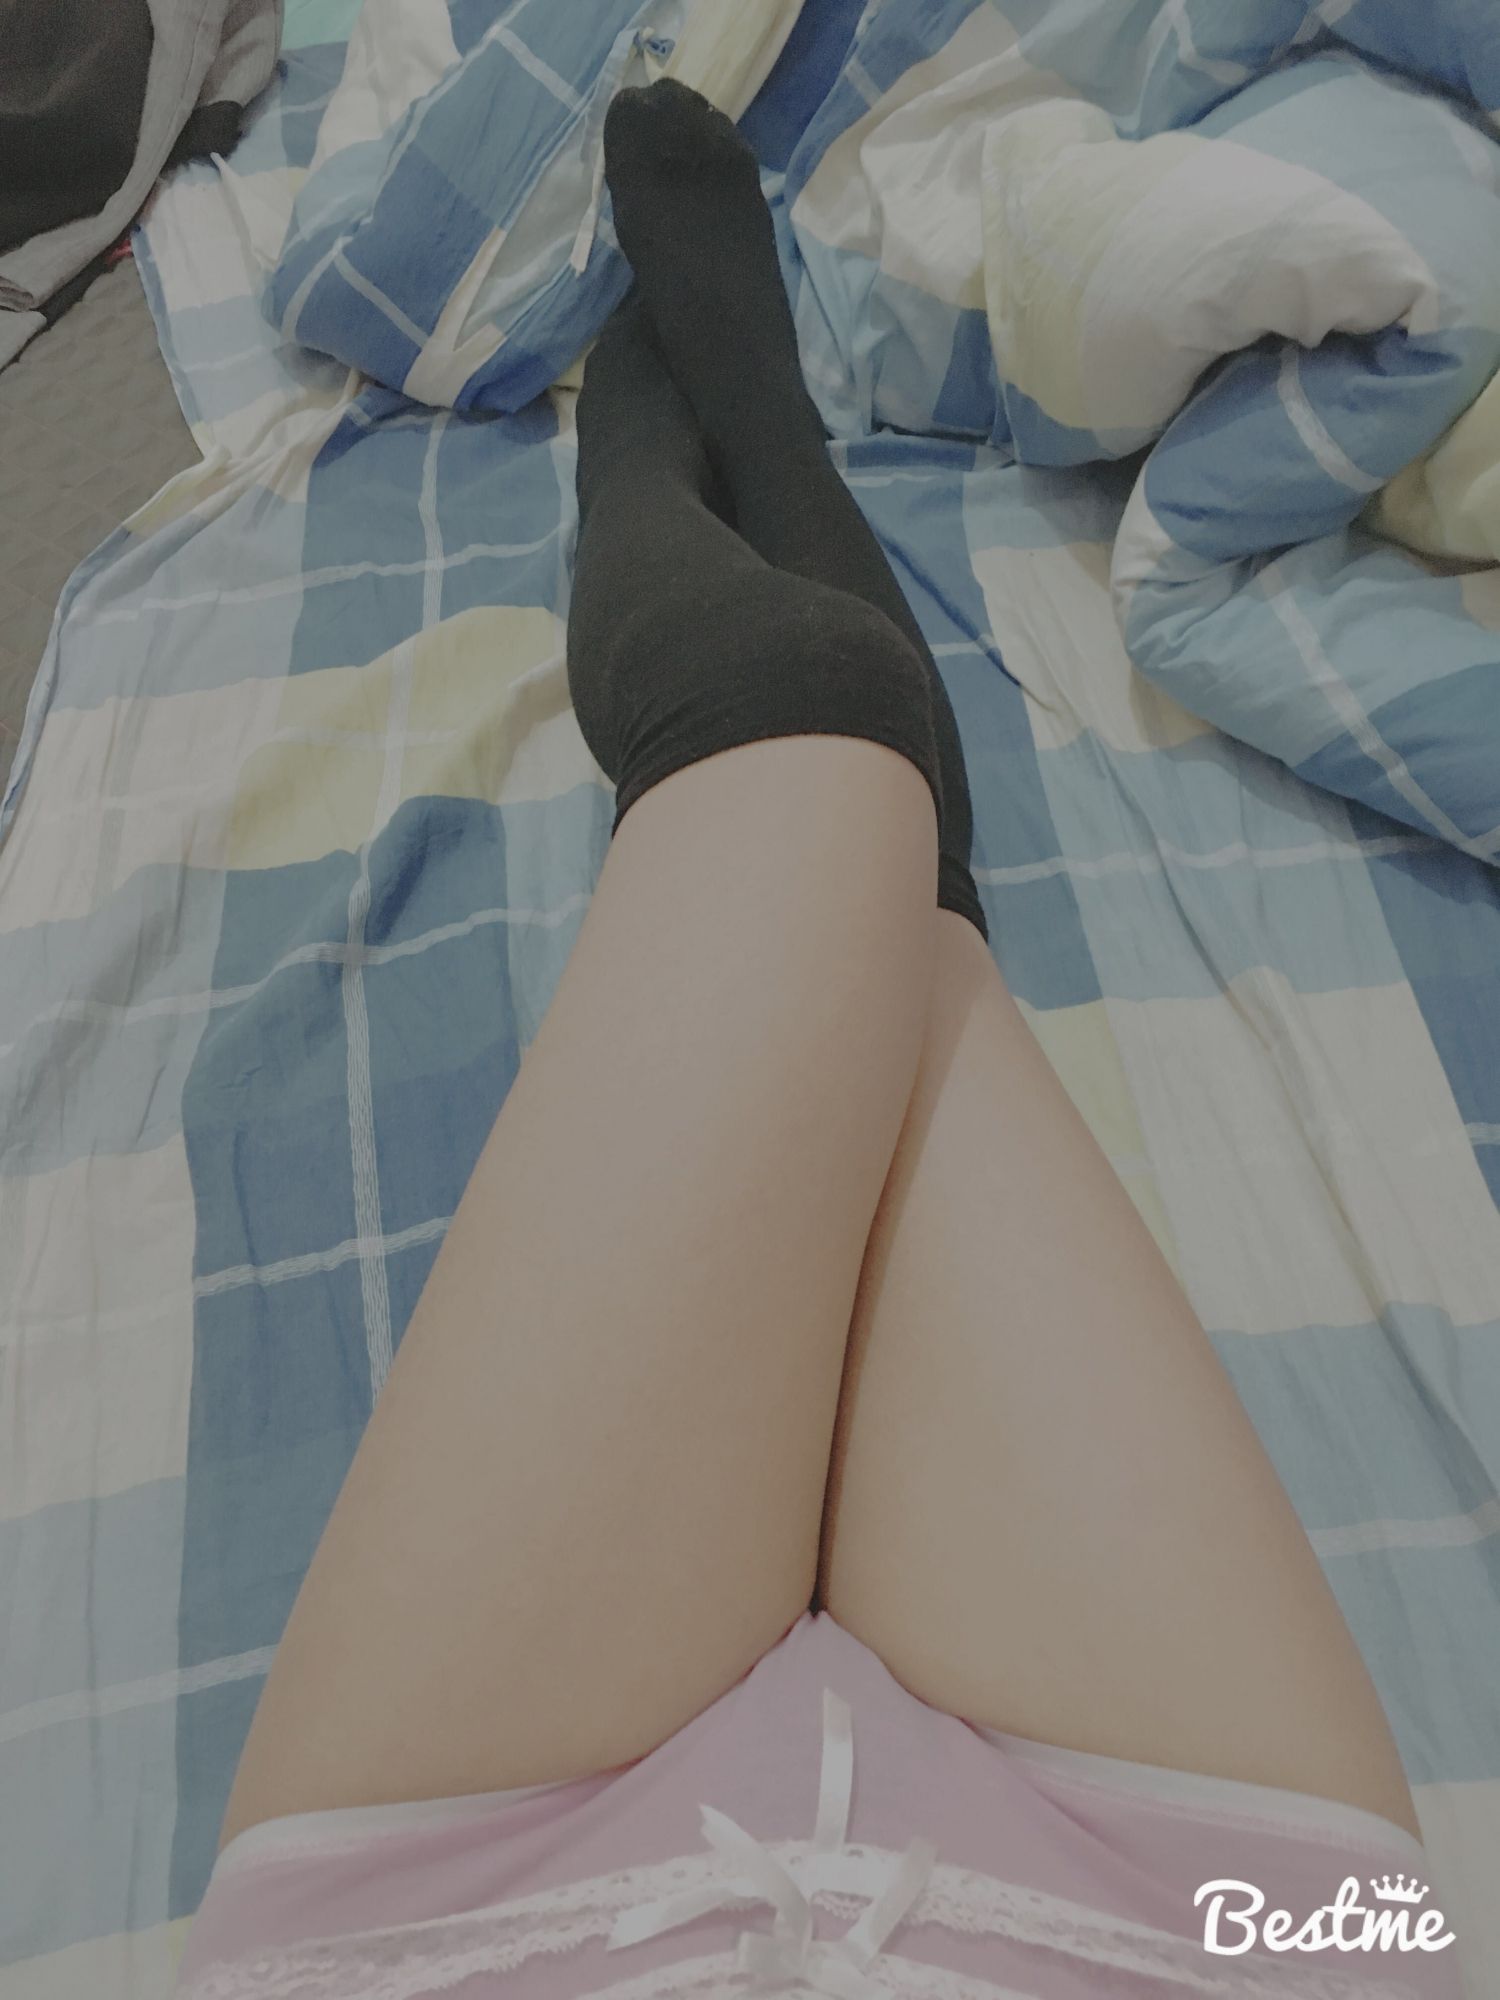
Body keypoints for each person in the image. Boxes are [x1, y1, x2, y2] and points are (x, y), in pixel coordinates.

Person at [175, 79, 1460, 1999]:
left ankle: (674, 411)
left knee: (809, 756)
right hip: (1244, 1937)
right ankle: (733, 391)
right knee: (901, 932)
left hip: (473, 1921)